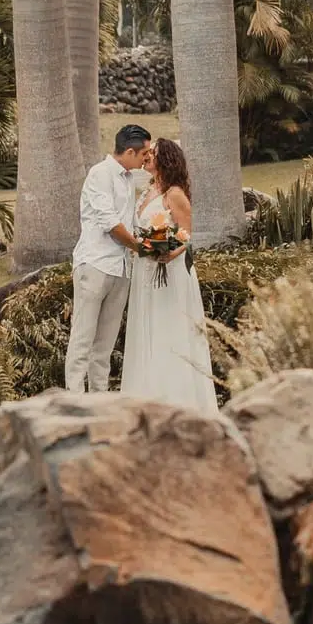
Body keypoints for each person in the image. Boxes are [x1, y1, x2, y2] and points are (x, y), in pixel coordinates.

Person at [120, 136, 218, 414]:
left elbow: (186, 235)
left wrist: (166, 253)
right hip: (145, 272)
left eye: (154, 153)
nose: (148, 156)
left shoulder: (174, 193)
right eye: (147, 152)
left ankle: (176, 399)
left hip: (169, 272)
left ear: (167, 159)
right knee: (147, 328)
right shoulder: (149, 189)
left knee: (169, 329)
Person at [64, 124, 151, 394]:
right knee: (82, 340)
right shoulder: (100, 174)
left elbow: (131, 221)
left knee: (104, 346)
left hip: (121, 268)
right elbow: (110, 223)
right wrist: (142, 248)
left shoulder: (128, 178)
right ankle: (75, 401)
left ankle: (99, 401)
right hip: (95, 266)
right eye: (144, 154)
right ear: (129, 151)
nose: (147, 158)